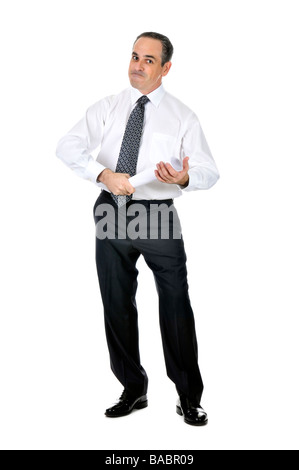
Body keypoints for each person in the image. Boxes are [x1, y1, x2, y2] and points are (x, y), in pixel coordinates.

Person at [56, 32, 219, 426]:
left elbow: (208, 171)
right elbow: (68, 145)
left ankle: (188, 395)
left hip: (158, 213)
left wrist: (183, 179)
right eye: (134, 56)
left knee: (175, 304)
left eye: (148, 60)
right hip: (111, 210)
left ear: (165, 68)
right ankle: (133, 388)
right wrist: (103, 173)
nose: (137, 65)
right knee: (116, 302)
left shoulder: (183, 116)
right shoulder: (108, 107)